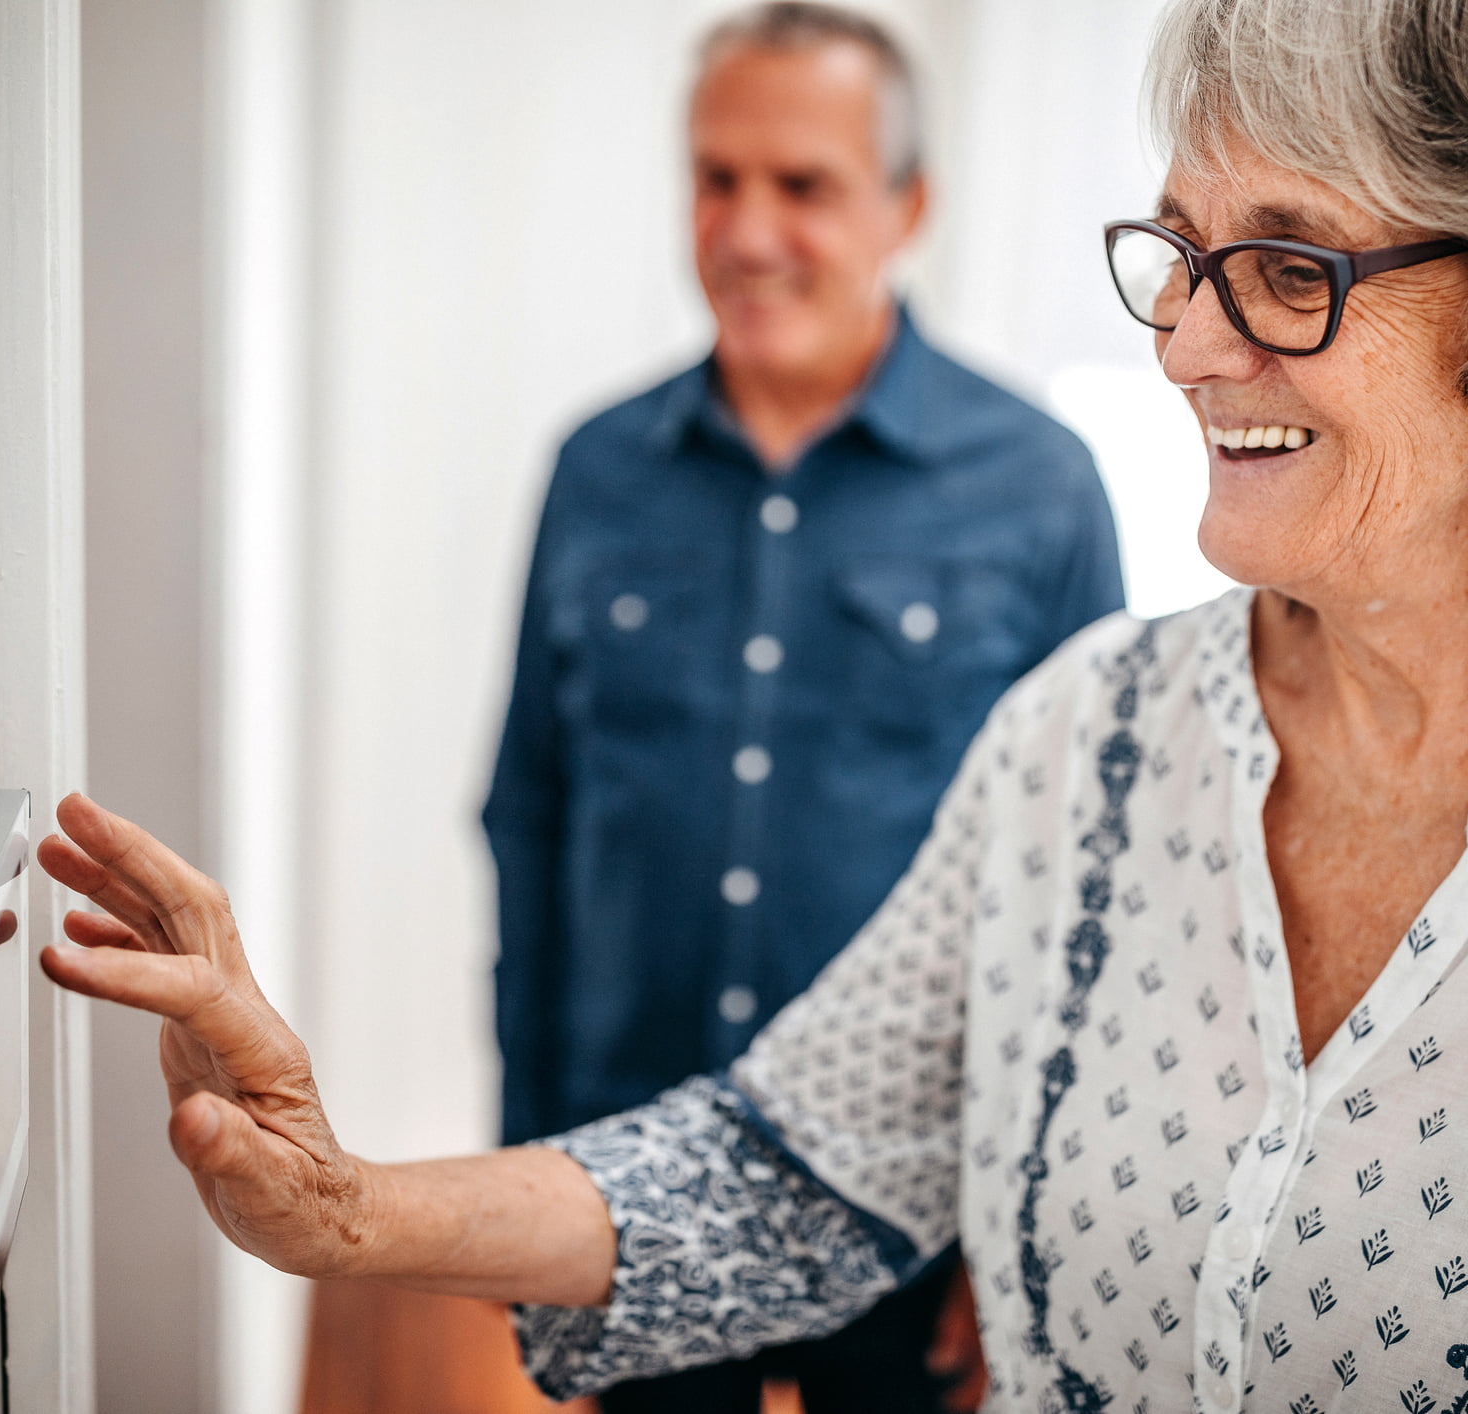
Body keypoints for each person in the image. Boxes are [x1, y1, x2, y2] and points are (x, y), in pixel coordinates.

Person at [36, 0, 1468, 1407]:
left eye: (1287, 266)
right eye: (1177, 250)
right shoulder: (1089, 739)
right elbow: (779, 1163)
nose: (1180, 339)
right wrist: (340, 1203)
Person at [479, 5, 1121, 1408]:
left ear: (908, 206)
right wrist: (529, 1157)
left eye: (803, 185)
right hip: (633, 1176)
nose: (748, 228)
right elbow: (525, 813)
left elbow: (1087, 883)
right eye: (716, 177)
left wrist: (1023, 1223)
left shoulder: (1039, 486)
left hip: (910, 1199)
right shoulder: (595, 471)